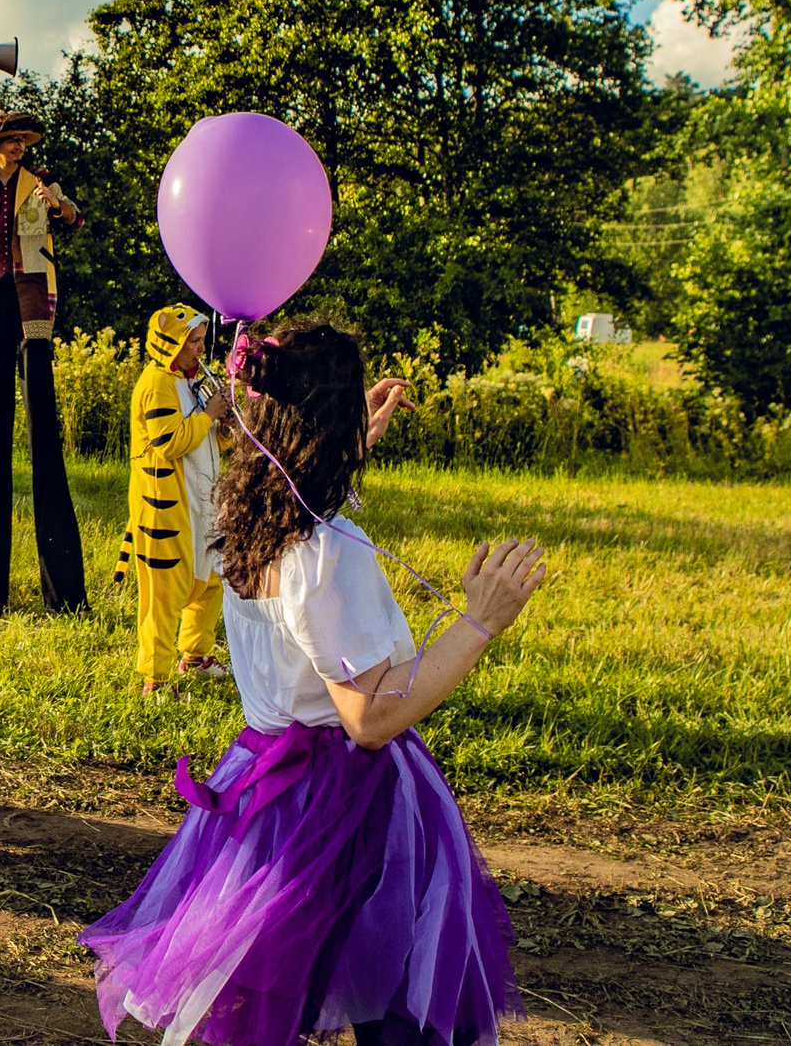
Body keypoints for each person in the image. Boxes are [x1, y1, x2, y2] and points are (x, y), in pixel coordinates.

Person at [79, 319, 541, 1046]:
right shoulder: (330, 551)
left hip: (268, 795)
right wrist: (477, 622)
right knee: (396, 988)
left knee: (289, 982)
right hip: (351, 802)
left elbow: (297, 497)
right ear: (329, 426)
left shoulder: (243, 519)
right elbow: (370, 716)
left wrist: (355, 433)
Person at [0, 111, 89, 615]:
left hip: (31, 306)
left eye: (23, 142)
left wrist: (58, 205)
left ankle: (63, 594)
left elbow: (75, 220)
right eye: (11, 141)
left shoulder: (41, 184)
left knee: (44, 441)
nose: (19, 148)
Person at [116, 305, 228, 696]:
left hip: (203, 501)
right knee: (164, 594)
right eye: (192, 342)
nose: (200, 349)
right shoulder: (155, 384)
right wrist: (210, 415)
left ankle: (195, 656)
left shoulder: (192, 380)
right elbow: (169, 444)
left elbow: (209, 440)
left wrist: (225, 423)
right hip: (167, 505)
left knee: (212, 581)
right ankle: (155, 678)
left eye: (200, 340)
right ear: (170, 345)